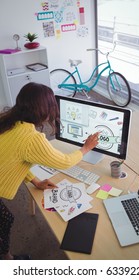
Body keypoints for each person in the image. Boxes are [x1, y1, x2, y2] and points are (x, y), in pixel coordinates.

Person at [0, 82, 99, 260]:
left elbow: (14, 160)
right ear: (43, 110)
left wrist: (35, 181)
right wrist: (85, 148)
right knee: (5, 220)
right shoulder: (32, 138)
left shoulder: (9, 121)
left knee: (5, 219)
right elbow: (64, 162)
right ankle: (7, 260)